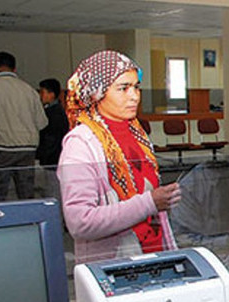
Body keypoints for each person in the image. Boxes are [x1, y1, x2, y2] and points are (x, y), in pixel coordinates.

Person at [57, 50, 181, 264]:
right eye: (123, 88)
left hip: (153, 254)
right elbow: (80, 222)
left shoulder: (137, 134)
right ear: (97, 93)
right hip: (115, 264)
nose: (134, 96)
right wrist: (149, 202)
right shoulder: (81, 143)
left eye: (136, 87)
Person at [0, 51, 48, 202]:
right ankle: (29, 223)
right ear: (14, 68)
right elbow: (42, 122)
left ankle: (0, 225)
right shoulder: (29, 90)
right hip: (27, 150)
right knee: (26, 195)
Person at [37, 78, 69, 168]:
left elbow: (51, 138)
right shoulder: (56, 111)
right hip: (54, 157)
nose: (40, 96)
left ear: (51, 94)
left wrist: (42, 154)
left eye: (43, 92)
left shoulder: (54, 113)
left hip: (52, 158)